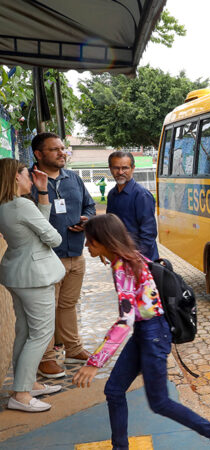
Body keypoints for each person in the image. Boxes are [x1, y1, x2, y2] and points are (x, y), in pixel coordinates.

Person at [72, 214, 210, 450]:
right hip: (146, 331)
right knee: (114, 390)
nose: (87, 245)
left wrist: (95, 361)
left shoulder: (123, 267)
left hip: (153, 334)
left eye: (90, 241)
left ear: (103, 241)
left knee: (159, 402)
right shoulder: (128, 257)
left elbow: (125, 320)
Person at [0, 159, 66, 412]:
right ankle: (22, 395)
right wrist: (47, 235)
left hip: (17, 274)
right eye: (27, 174)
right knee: (40, 335)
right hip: (35, 276)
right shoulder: (22, 205)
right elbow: (54, 237)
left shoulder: (6, 205)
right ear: (16, 177)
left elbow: (38, 225)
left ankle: (28, 384)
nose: (31, 178)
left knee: (25, 332)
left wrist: (43, 191)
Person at [29, 132, 96, 378]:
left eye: (62, 148)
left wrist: (87, 219)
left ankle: (73, 348)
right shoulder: (27, 181)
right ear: (38, 154)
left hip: (75, 254)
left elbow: (90, 205)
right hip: (46, 257)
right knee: (46, 310)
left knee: (68, 305)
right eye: (54, 149)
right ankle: (46, 358)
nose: (62, 153)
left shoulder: (73, 178)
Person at [106, 151, 159, 261]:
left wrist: (136, 257)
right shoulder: (112, 195)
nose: (120, 172)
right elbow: (109, 226)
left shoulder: (142, 195)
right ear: (110, 168)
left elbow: (149, 232)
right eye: (116, 168)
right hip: (120, 258)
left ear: (133, 168)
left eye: (125, 168)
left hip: (141, 260)